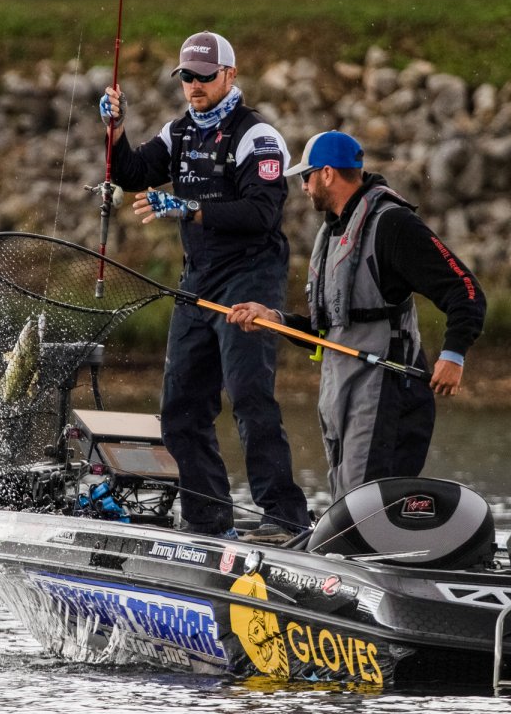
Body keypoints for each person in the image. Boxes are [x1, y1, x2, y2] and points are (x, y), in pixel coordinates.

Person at [98, 31, 308, 543]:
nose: (194, 86)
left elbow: (262, 212)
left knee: (249, 396)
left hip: (250, 277)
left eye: (204, 77)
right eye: (186, 77)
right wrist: (115, 128)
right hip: (197, 283)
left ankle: (284, 518)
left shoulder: (258, 137)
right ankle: (209, 520)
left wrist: (189, 208)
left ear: (230, 76)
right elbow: (130, 173)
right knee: (180, 409)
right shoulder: (180, 133)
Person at [227, 131, 486, 501]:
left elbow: (467, 290)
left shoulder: (393, 225)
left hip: (387, 398)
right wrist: (273, 318)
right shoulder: (336, 232)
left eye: (307, 176)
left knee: (364, 509)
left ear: (328, 173)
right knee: (347, 504)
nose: (303, 187)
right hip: (342, 394)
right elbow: (329, 329)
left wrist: (453, 354)